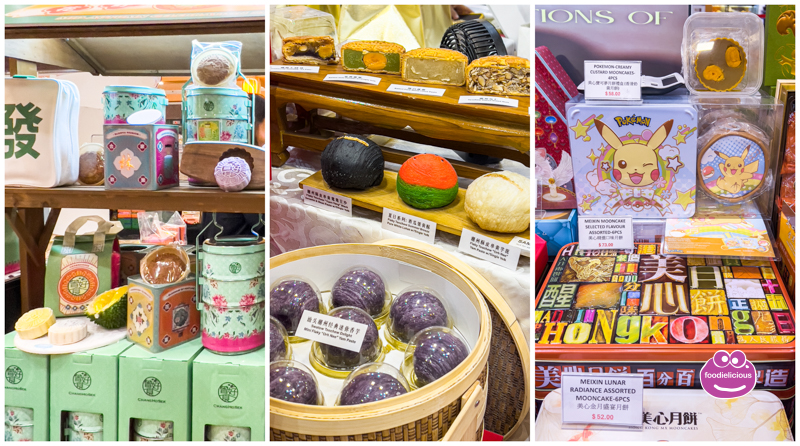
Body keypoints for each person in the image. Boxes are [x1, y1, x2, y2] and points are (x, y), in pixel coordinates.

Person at [197, 94, 265, 240]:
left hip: (214, 244)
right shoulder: (246, 165)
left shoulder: (223, 159)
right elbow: (261, 224)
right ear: (253, 124)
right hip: (236, 248)